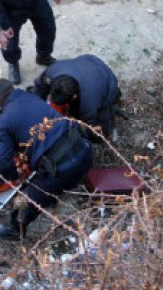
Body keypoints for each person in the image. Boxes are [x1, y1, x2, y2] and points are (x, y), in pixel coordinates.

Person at [0, 79, 93, 240]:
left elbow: (4, 162)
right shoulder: (31, 96)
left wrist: (15, 176)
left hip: (64, 168)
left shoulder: (4, 122)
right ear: (13, 88)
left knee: (24, 202)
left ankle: (15, 229)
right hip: (85, 149)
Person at [30, 54, 120, 141]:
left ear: (74, 96)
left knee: (98, 133)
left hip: (107, 81)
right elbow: (39, 87)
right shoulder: (51, 72)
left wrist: (77, 129)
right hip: (88, 61)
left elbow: (88, 123)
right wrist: (36, 106)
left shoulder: (89, 102)